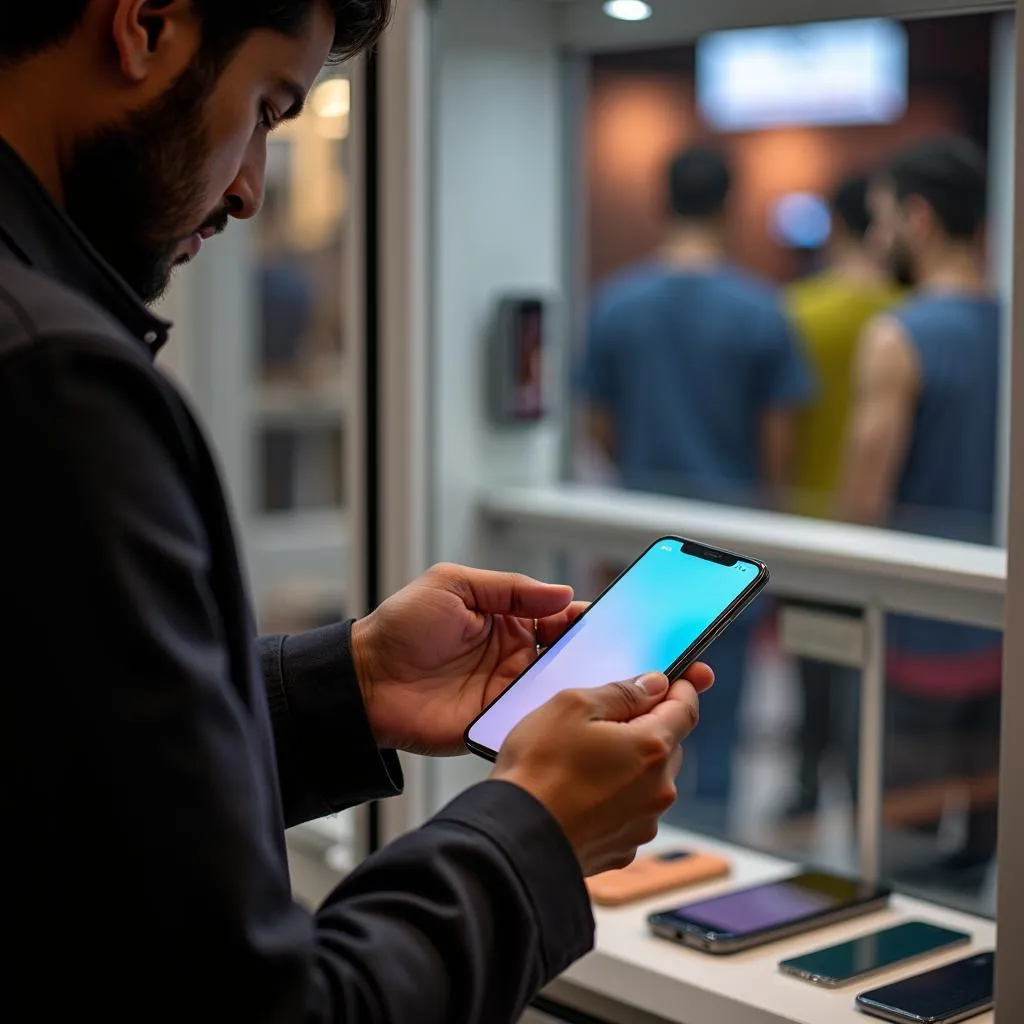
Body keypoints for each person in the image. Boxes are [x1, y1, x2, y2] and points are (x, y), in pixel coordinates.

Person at [0, 3, 714, 1020]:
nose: (248, 187)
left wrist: (351, 681)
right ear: (146, 23)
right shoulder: (58, 386)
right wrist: (535, 830)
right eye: (263, 109)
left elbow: (56, 770)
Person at [580, 144, 813, 830]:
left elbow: (598, 427)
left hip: (642, 544)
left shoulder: (616, 305)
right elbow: (780, 446)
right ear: (728, 206)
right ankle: (711, 846)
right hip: (729, 544)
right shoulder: (762, 310)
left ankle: (633, 853)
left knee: (639, 704)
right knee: (720, 715)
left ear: (664, 202)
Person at [841, 137, 1002, 888]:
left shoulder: (897, 334)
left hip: (914, 640)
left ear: (918, 217)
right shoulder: (1011, 326)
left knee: (897, 859)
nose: (876, 240)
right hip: (1000, 631)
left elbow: (861, 506)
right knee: (984, 851)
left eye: (879, 220)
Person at [782, 175, 905, 820]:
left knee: (811, 671)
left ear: (836, 224)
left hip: (808, 522)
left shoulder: (799, 307)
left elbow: (781, 424)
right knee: (870, 679)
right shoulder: (906, 311)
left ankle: (805, 785)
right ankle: (863, 799)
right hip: (887, 528)